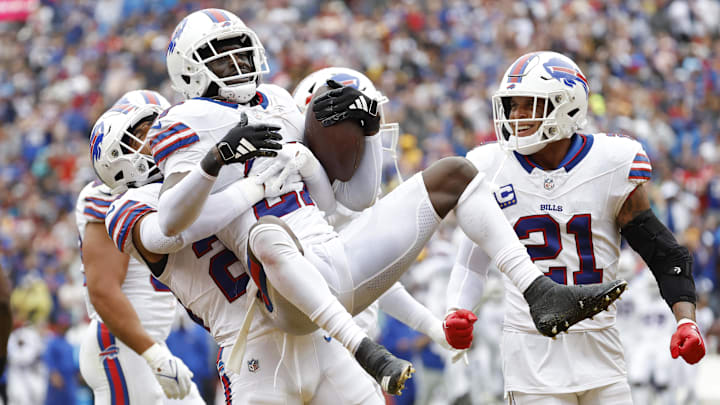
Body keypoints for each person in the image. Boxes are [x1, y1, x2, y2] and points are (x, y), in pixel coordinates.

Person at [155, 8, 627, 396]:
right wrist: (220, 162)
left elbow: (351, 200)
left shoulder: (277, 100)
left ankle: (539, 291)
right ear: (190, 70)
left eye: (241, 52)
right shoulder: (187, 119)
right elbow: (173, 224)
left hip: (333, 261)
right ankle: (366, 350)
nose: (237, 65)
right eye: (221, 59)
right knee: (267, 234)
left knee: (457, 174)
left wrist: (369, 131)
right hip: (280, 298)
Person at [442, 51, 706, 404]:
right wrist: (457, 309)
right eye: (512, 106)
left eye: (529, 105)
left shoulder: (611, 163)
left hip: (602, 356)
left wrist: (685, 321)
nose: (516, 116)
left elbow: (663, 253)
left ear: (565, 106)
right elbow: (471, 258)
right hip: (532, 361)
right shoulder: (490, 167)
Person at [77, 89, 204, 404]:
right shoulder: (109, 196)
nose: (150, 142)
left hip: (151, 343)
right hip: (123, 346)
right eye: (142, 134)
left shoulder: (169, 191)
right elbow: (104, 290)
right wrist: (153, 354)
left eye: (155, 130)